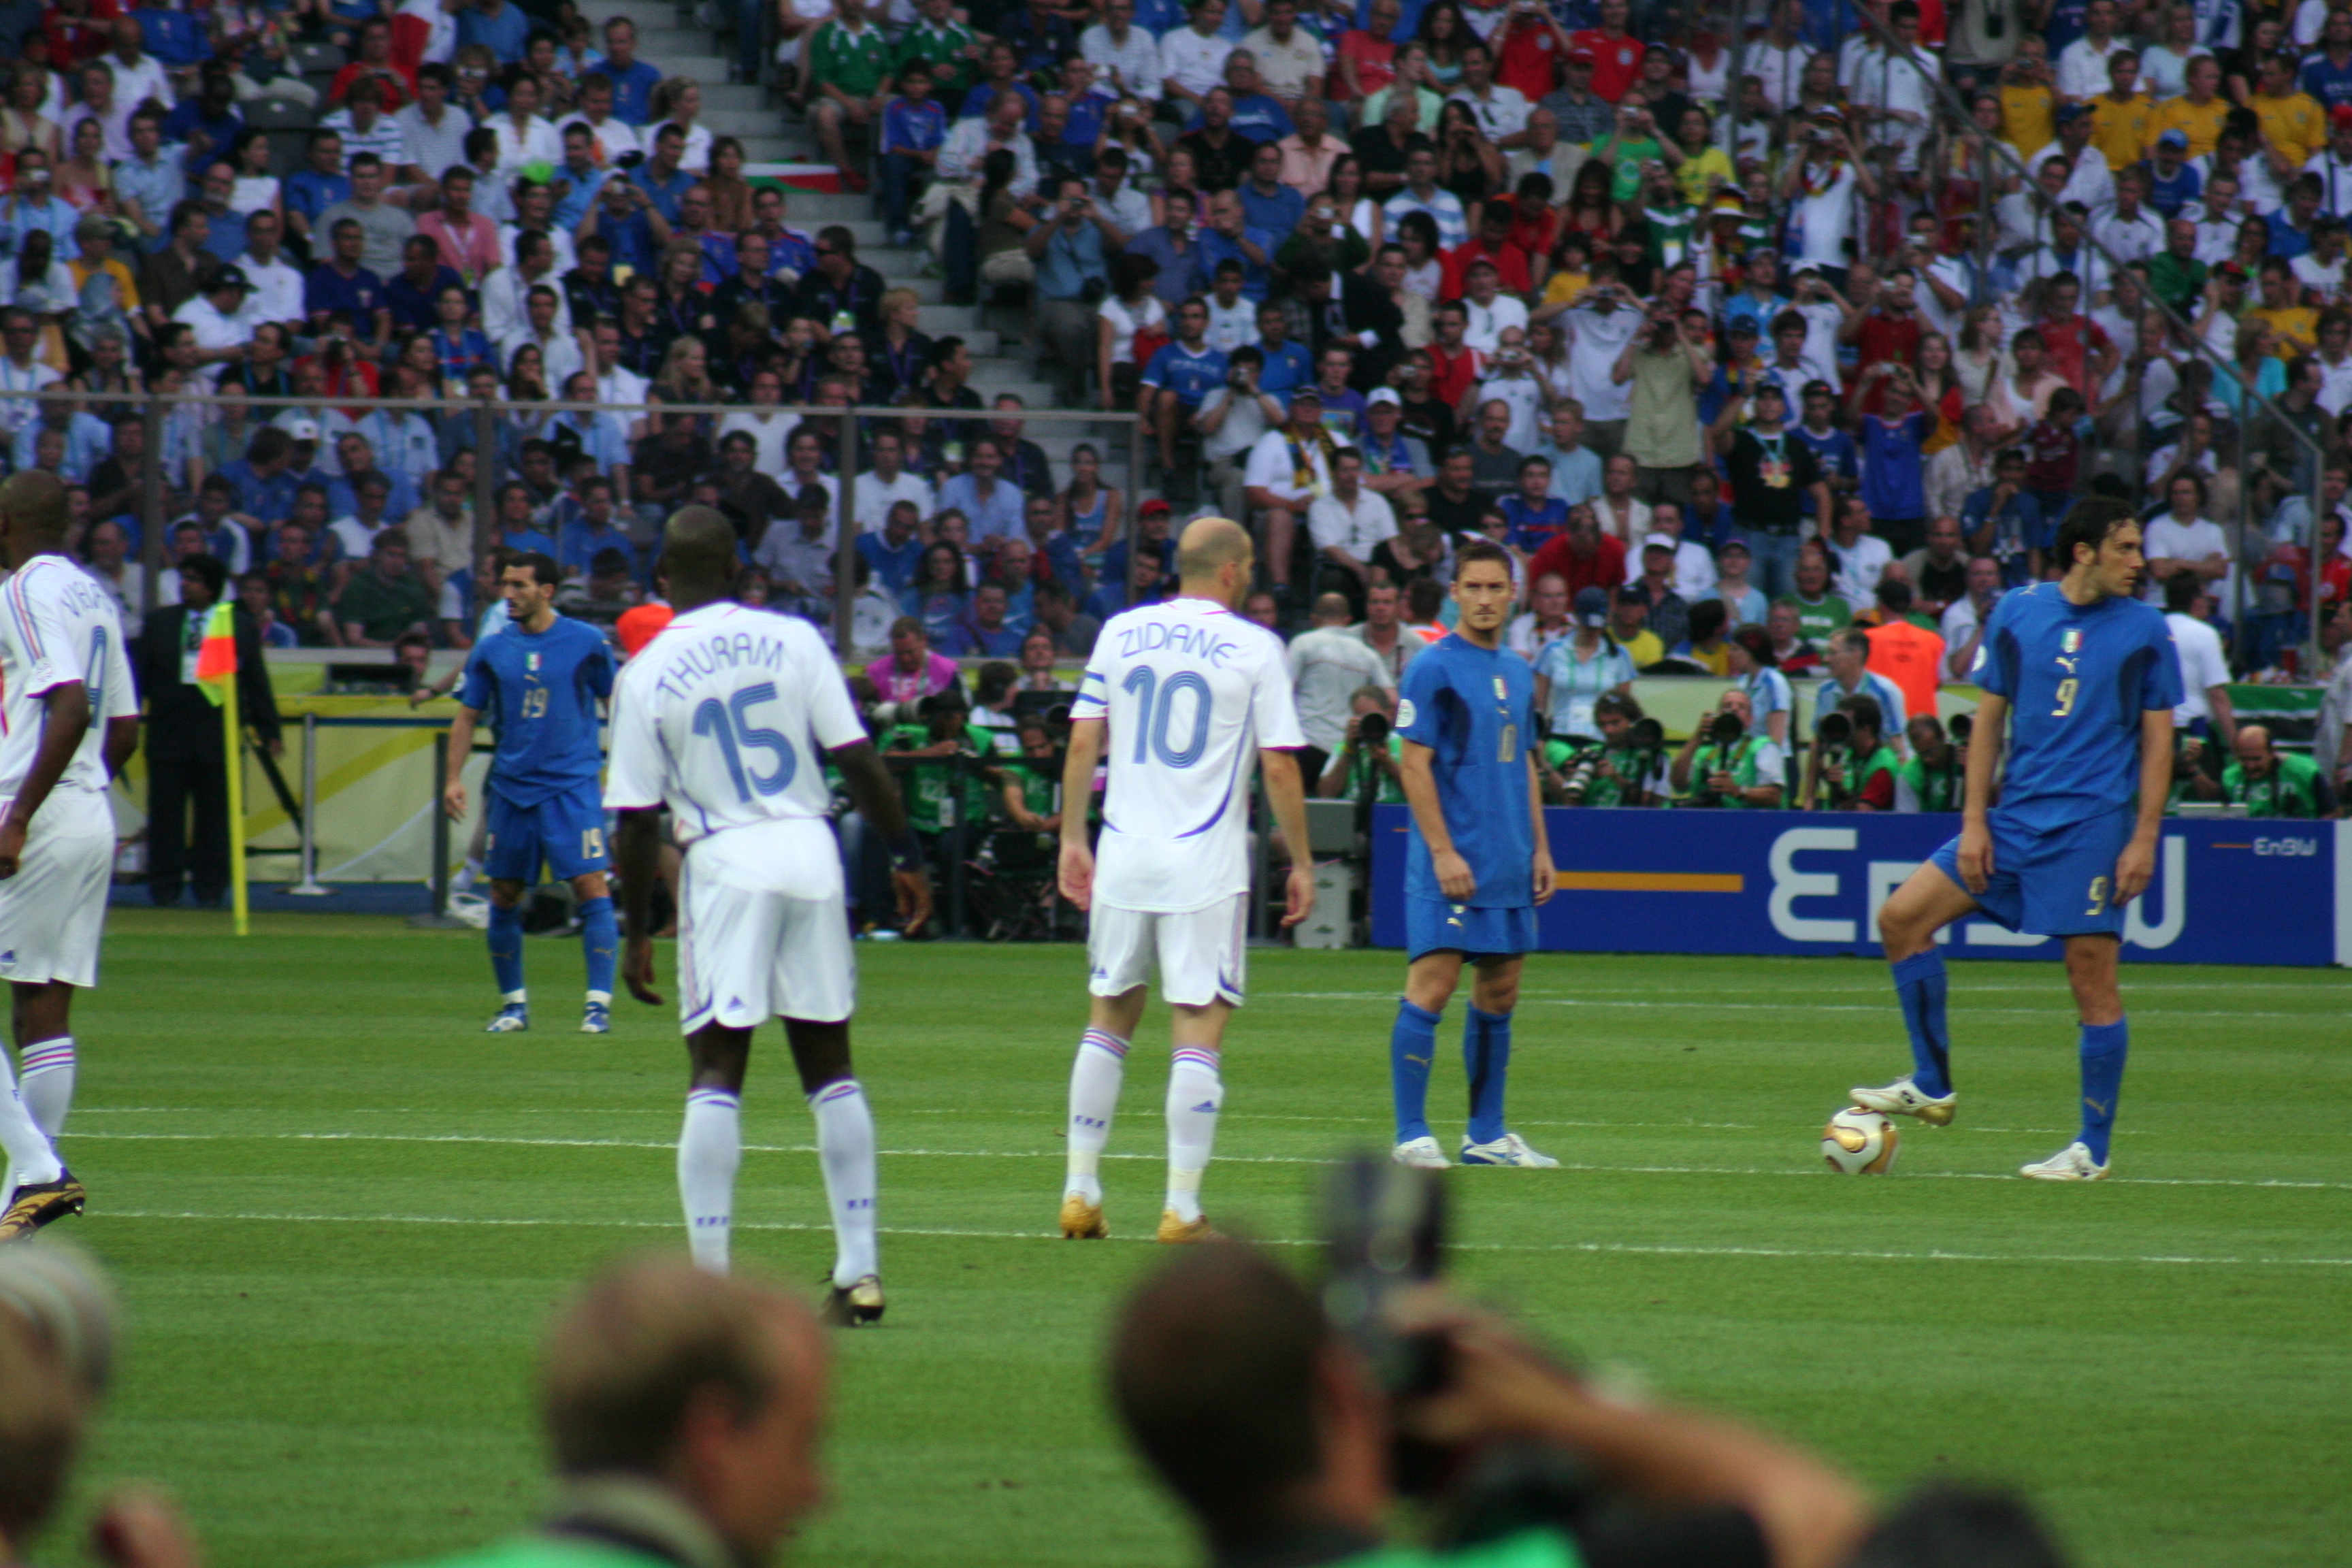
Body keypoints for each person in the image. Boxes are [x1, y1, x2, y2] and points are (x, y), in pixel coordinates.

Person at [605, 509, 928, 1310]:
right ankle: (862, 1270)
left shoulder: (645, 672)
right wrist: (908, 854)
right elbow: (859, 760)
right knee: (830, 1068)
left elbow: (637, 820)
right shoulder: (794, 640)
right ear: (742, 563)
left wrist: (640, 929)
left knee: (718, 1070)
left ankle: (708, 1288)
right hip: (810, 849)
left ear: (665, 577)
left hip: (726, 859)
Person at [1850, 500, 2183, 1181]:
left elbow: (2158, 741)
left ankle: (2091, 1149)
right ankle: (1932, 1084)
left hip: (2092, 826)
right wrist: (1975, 821)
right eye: (2124, 547)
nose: (2138, 561)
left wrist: (2145, 838)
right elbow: (1987, 724)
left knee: (2091, 980)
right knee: (1901, 918)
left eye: (2138, 547)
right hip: (2014, 821)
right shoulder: (2017, 612)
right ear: (2084, 551)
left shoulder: (2147, 630)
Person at [1056, 517, 1313, 1245]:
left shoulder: (1120, 632)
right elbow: (1280, 765)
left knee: (1108, 1017)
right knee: (1197, 1029)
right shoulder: (1257, 647)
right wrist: (1299, 861)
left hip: (1125, 852)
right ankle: (1182, 1208)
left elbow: (1083, 738)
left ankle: (1080, 1188)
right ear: (1232, 571)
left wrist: (1074, 836)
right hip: (1204, 862)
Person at [1388, 541, 1556, 1172]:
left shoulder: (1518, 669)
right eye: (1473, 588)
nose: (1485, 599)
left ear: (1513, 594)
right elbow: (1413, 763)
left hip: (1509, 856)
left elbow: (1527, 767)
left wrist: (1540, 847)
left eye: (1496, 588)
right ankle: (1411, 1136)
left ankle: (1486, 1136)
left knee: (1502, 990)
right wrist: (1440, 852)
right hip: (1451, 861)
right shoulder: (1432, 668)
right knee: (1432, 987)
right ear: (1454, 592)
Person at [0, 471, 138, 1235]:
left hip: (39, 813)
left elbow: (71, 704)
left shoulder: (21, 593)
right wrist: (84, 792)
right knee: (42, 1011)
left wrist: (20, 816)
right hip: (90, 814)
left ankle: (43, 1172)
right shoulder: (94, 595)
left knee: (35, 1007)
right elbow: (123, 729)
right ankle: (22, 1205)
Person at [440, 553, 619, 1037]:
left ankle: (598, 1007)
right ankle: (514, 1006)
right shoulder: (493, 648)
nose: (508, 594)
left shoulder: (586, 642)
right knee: (503, 892)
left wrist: (624, 769)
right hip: (513, 789)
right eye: (504, 585)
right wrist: (453, 779)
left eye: (519, 585)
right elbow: (466, 716)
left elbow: (615, 703)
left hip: (571, 785)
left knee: (590, 886)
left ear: (547, 590)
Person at [137, 552, 280, 910]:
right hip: (168, 733)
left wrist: (269, 727)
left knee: (215, 820)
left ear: (212, 587)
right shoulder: (160, 623)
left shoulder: (237, 626)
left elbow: (256, 681)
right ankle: (165, 887)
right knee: (166, 817)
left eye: (195, 580)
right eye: (184, 578)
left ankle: (211, 887)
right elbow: (139, 676)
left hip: (217, 735)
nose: (186, 585)